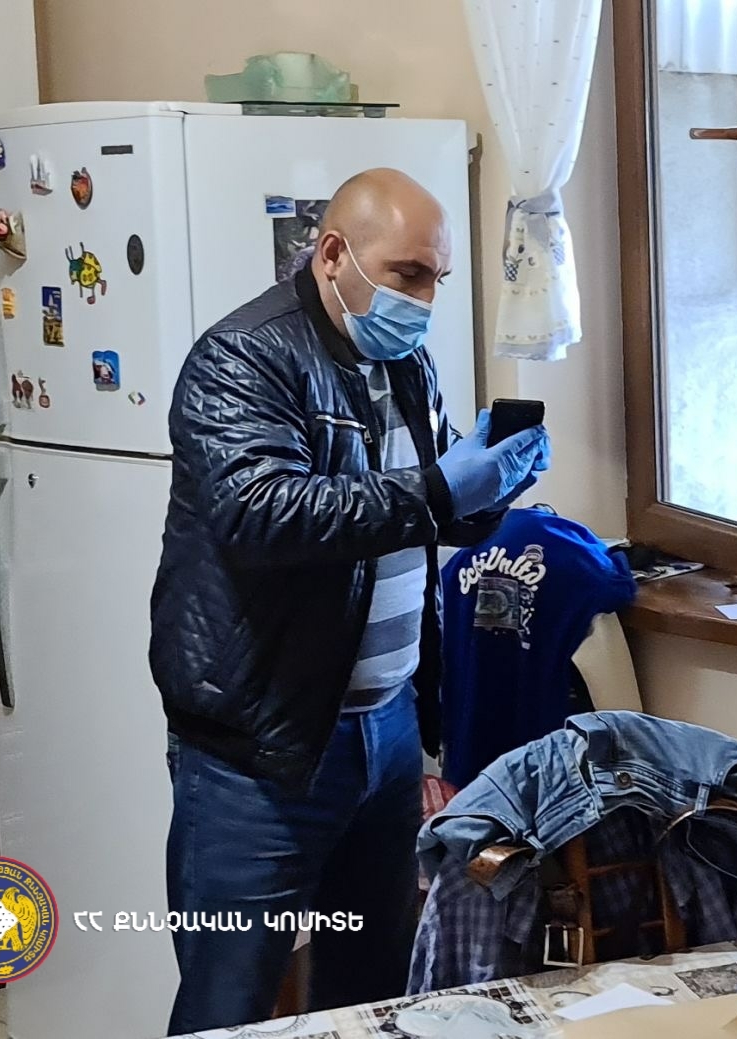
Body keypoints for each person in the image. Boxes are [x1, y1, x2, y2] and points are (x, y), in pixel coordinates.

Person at [149, 168, 550, 1034]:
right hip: (264, 742)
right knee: (231, 1003)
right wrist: (439, 488)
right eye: (409, 273)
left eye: (436, 278)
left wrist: (491, 485)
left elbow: (424, 512)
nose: (424, 298)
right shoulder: (242, 356)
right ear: (333, 254)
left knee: (370, 992)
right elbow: (262, 513)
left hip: (388, 728)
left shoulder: (402, 358)